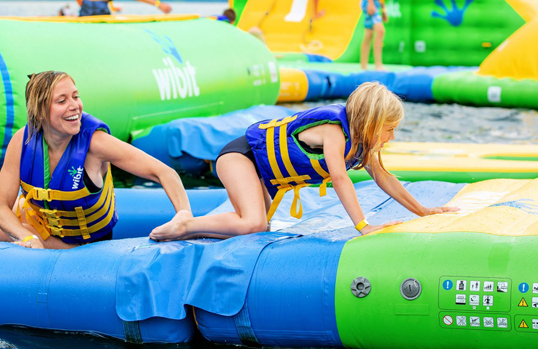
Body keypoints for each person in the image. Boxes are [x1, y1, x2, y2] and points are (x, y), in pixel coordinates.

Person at [150, 82, 457, 241]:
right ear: (371, 123)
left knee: (259, 229)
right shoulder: (335, 131)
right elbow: (339, 177)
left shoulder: (361, 142)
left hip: (260, 170)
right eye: (389, 130)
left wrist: (424, 211)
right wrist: (363, 226)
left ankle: (192, 231)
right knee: (253, 222)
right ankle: (184, 222)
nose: (391, 137)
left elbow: (385, 178)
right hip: (240, 157)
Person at [0, 71, 192, 249]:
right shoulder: (23, 139)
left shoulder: (95, 144)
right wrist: (26, 238)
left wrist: (183, 214)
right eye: (62, 101)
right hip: (37, 217)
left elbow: (164, 172)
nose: (75, 106)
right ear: (39, 112)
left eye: (75, 96)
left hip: (77, 240)